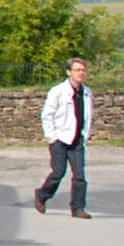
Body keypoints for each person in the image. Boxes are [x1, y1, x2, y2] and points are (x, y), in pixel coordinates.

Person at [36, 58, 94, 218]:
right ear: (69, 72)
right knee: (58, 173)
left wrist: (85, 134)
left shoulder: (87, 92)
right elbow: (47, 115)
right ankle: (42, 195)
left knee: (80, 176)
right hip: (60, 139)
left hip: (77, 140)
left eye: (83, 70)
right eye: (77, 70)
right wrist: (52, 137)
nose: (81, 73)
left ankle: (78, 208)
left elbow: (88, 116)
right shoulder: (58, 91)